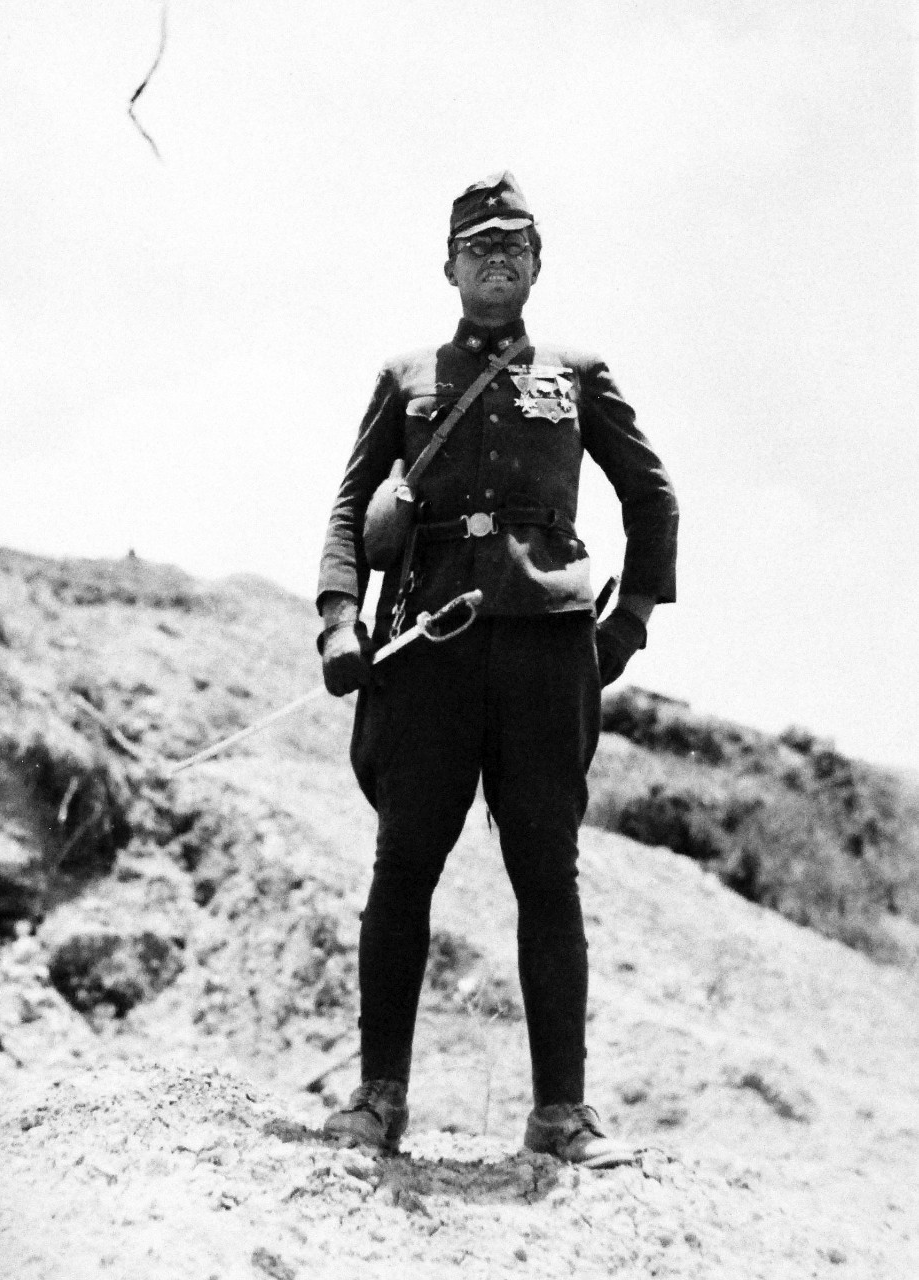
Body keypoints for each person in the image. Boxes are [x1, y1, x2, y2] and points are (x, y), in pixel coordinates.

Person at [315, 172, 678, 1164]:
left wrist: (627, 623)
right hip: (429, 651)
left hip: (544, 655)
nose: (496, 259)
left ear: (536, 263)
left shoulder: (581, 371)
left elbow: (652, 500)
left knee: (544, 878)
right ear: (447, 264)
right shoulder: (404, 377)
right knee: (402, 868)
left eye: (514, 245)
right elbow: (349, 511)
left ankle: (559, 1114)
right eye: (478, 246)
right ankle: (376, 1100)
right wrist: (337, 622)